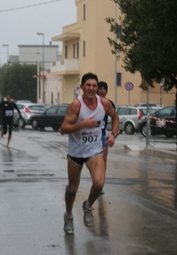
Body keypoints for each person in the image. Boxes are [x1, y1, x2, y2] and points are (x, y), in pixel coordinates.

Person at [59, 73, 119, 235]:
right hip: (76, 152)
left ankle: (87, 206)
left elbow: (115, 117)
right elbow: (63, 129)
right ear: (82, 87)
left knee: (99, 183)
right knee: (73, 188)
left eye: (94, 85)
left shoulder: (104, 104)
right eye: (88, 85)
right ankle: (69, 215)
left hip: (95, 151)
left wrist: (113, 134)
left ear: (97, 87)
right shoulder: (76, 106)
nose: (92, 88)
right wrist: (83, 124)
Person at [96, 81, 117, 194]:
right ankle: (96, 180)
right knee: (93, 160)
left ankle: (101, 183)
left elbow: (115, 118)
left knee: (103, 158)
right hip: (91, 135)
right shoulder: (90, 102)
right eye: (100, 88)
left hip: (103, 134)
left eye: (104, 89)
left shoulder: (109, 103)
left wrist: (113, 134)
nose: (102, 91)